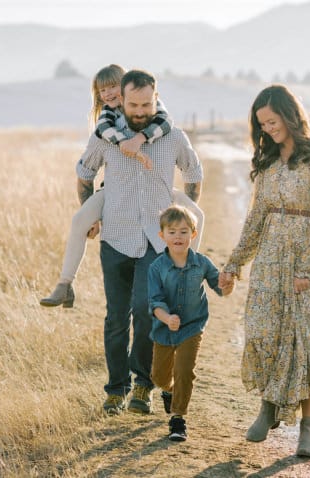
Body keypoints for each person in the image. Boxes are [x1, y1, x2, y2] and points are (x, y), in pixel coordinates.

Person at [219, 84, 310, 458]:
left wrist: (307, 266)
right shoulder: (269, 157)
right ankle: (269, 407)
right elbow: (257, 216)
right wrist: (235, 262)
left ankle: (309, 428)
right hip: (271, 257)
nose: (268, 129)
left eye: (272, 122)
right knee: (265, 330)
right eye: (262, 125)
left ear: (290, 115)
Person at [75, 68, 203, 416]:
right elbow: (84, 173)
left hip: (155, 242)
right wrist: (89, 216)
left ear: (155, 98)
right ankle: (116, 390)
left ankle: (143, 386)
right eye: (134, 104)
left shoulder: (173, 136)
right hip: (115, 237)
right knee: (116, 318)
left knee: (147, 313)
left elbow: (194, 172)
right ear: (123, 99)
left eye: (147, 103)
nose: (141, 110)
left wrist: (187, 220)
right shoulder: (106, 136)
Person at [40, 64, 204, 308]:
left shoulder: (155, 112)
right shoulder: (106, 119)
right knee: (79, 221)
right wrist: (94, 218)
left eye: (113, 87)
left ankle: (187, 273)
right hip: (115, 191)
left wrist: (139, 139)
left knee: (197, 216)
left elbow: (166, 122)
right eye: (101, 90)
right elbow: (101, 145)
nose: (108, 94)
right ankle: (65, 283)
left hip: (157, 188)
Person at [148, 205, 233, 441]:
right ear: (162, 235)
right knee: (160, 377)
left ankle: (178, 419)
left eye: (184, 232)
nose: (178, 237)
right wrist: (167, 318)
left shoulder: (202, 263)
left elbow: (220, 288)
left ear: (193, 235)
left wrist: (228, 283)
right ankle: (169, 390)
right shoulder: (156, 267)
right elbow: (154, 301)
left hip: (192, 327)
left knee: (185, 370)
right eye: (172, 232)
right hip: (164, 328)